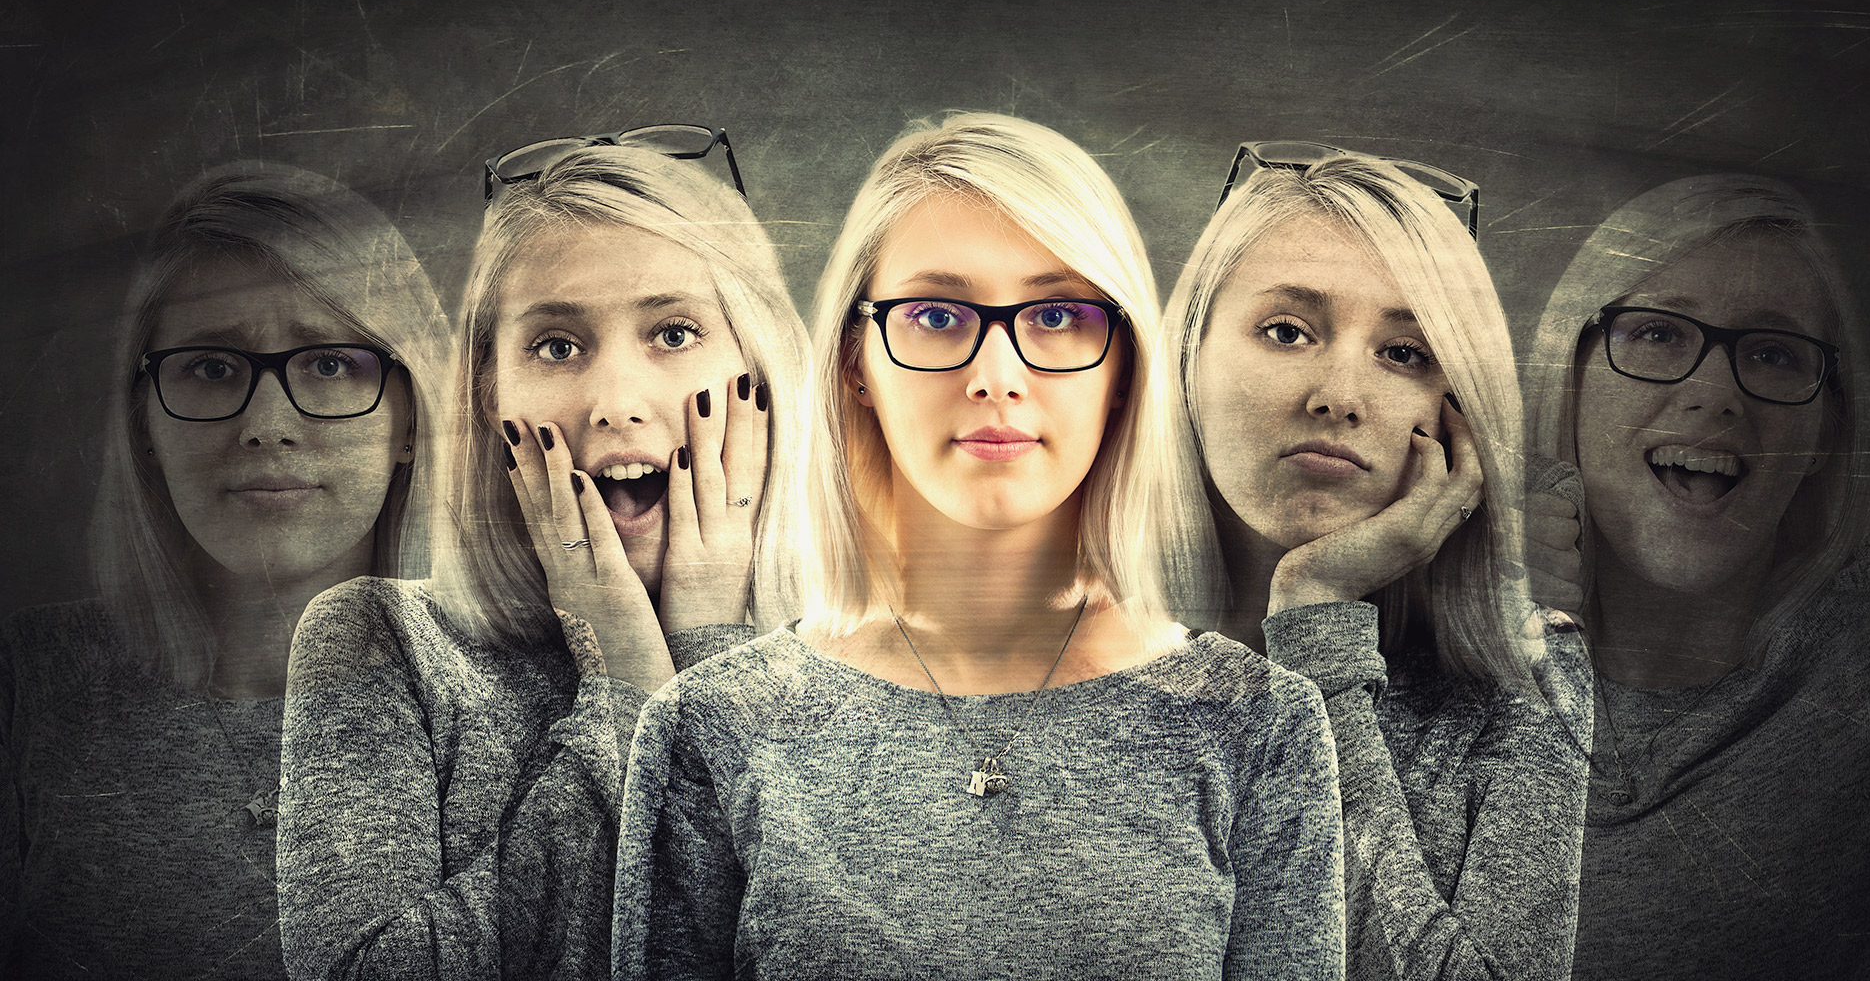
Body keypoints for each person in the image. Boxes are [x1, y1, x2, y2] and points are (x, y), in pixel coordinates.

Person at [613, 113, 1343, 981]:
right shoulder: (713, 727)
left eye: (1060, 315)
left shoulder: (1259, 726)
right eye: (934, 314)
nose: (997, 374)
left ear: (1124, 369)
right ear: (856, 361)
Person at [277, 133, 807, 980]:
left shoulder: (870, 656)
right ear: (489, 395)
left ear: (761, 371)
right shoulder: (378, 640)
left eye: (674, 332)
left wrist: (712, 652)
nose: (615, 405)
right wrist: (625, 685)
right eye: (556, 346)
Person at [1522, 174, 1870, 978]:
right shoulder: (1414, 659)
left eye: (1774, 354)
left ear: (1825, 432)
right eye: (1659, 334)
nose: (1715, 394)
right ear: (1570, 383)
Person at [1, 162, 448, 979]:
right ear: (142, 422)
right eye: (211, 367)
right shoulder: (25, 686)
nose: (266, 426)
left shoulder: (516, 703)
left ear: (409, 417)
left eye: (327, 363)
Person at [1165, 144, 1592, 981]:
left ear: (1456, 412)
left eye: (1403, 353)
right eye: (1287, 331)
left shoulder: (1525, 676)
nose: (1339, 395)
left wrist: (1316, 621)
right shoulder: (1064, 651)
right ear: (1188, 358)